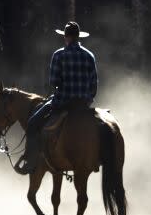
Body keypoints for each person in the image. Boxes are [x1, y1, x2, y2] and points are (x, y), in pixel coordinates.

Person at [15, 21, 98, 174]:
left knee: (33, 123)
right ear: (78, 37)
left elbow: (54, 82)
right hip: (83, 104)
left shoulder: (59, 55)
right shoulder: (89, 56)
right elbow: (94, 85)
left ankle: (30, 162)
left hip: (63, 102)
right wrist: (86, 99)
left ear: (66, 37)